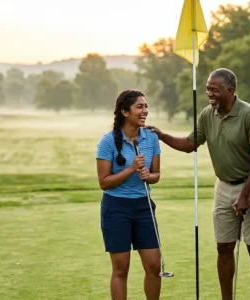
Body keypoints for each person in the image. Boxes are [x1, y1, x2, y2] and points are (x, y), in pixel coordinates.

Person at [147, 68, 250, 300]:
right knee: (223, 247)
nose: (209, 94)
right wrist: (161, 135)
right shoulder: (207, 114)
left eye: (214, 90)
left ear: (230, 91)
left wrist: (245, 195)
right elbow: (190, 144)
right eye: (207, 89)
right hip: (223, 186)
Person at [96, 90, 163, 300]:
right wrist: (131, 169)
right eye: (139, 107)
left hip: (144, 207)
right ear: (125, 112)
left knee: (154, 265)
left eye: (146, 106)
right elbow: (103, 182)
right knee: (121, 268)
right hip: (116, 208)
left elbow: (156, 175)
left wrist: (148, 175)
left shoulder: (151, 138)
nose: (145, 111)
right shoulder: (107, 142)